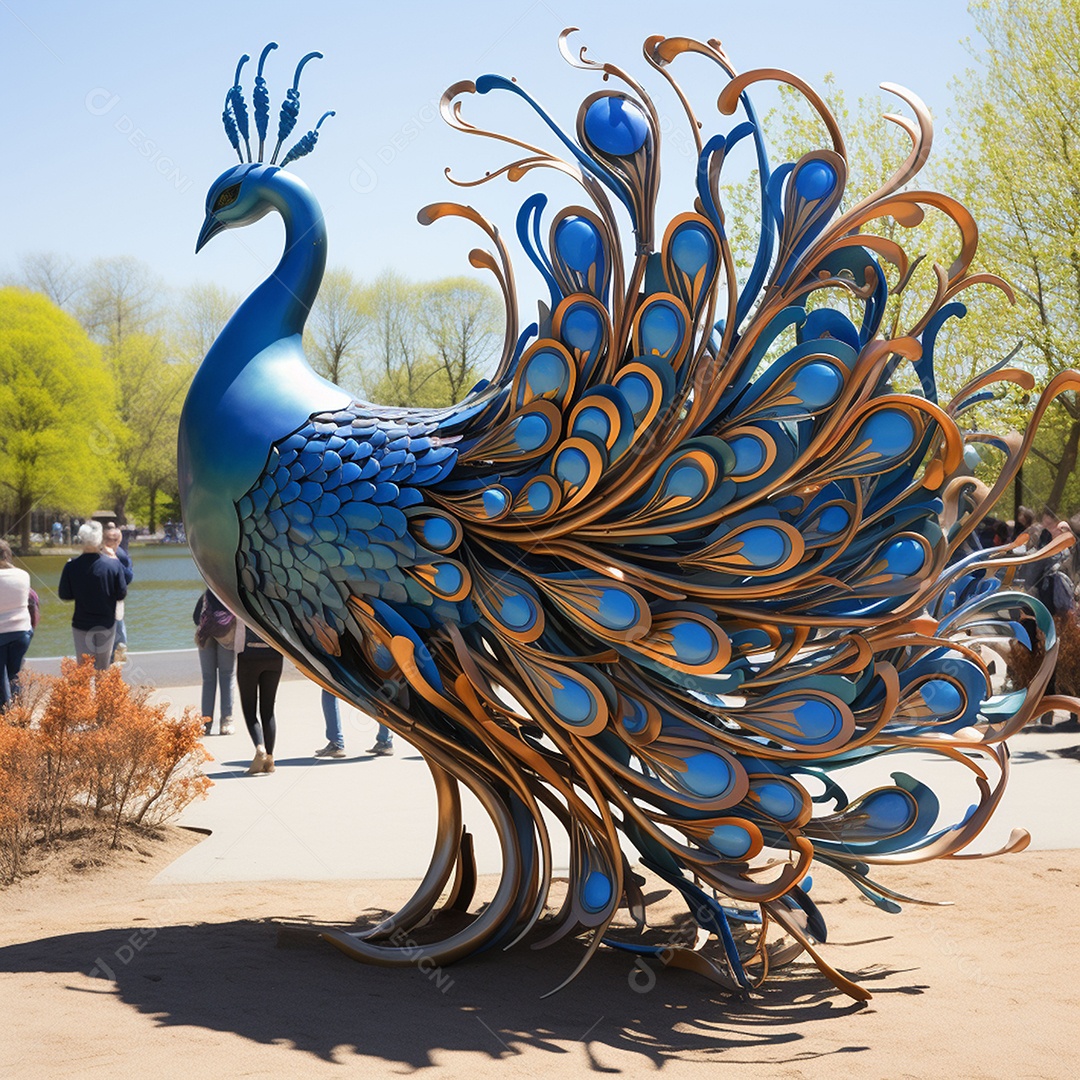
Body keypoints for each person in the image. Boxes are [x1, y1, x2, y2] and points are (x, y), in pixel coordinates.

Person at [57, 522, 127, 670]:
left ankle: (85, 687)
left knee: (84, 669)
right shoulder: (113, 565)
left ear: (81, 540)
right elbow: (121, 594)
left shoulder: (71, 567)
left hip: (81, 623)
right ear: (100, 539)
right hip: (106, 623)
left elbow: (64, 594)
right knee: (103, 668)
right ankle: (102, 686)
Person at [235, 621, 283, 774]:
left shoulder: (245, 603)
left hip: (249, 655)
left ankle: (260, 747)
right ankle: (270, 759)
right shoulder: (277, 604)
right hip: (275, 655)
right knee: (268, 710)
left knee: (249, 710)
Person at [193, 588, 236, 736]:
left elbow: (195, 617)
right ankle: (226, 721)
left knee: (208, 679)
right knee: (227, 675)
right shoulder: (231, 595)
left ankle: (206, 723)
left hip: (206, 636)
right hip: (227, 635)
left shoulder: (206, 595)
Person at [0, 540, 33, 709]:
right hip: (22, 632)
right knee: (13, 674)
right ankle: (19, 711)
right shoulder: (23, 575)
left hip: (2, 633)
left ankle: (5, 715)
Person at [103, 524, 133, 662]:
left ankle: (115, 658)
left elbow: (128, 577)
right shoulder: (97, 554)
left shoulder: (120, 555)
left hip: (115, 600)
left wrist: (115, 559)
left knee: (118, 632)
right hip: (101, 601)